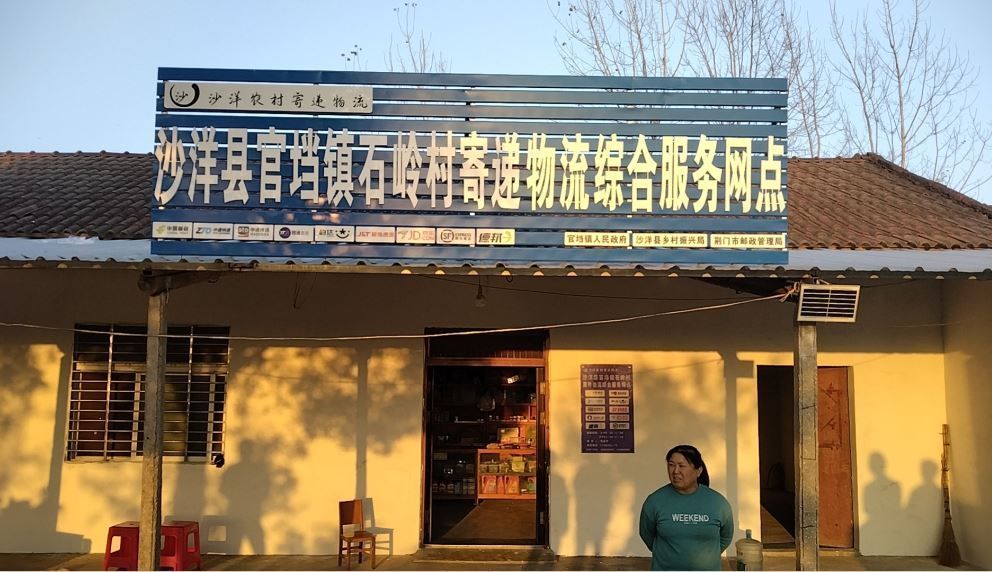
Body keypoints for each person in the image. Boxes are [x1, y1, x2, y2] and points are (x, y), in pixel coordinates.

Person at [639, 444, 734, 571]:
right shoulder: (655, 501)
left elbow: (726, 537)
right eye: (671, 465)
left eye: (681, 466)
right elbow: (646, 534)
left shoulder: (718, 503)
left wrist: (707, 557)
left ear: (698, 471)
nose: (675, 471)